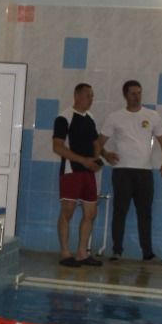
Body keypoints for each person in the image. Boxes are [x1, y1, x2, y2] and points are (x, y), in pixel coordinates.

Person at [98, 80, 162, 262]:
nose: (137, 96)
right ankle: (117, 250)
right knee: (120, 211)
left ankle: (147, 253)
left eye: (139, 93)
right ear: (125, 95)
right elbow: (98, 142)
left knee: (145, 213)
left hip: (144, 172)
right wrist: (106, 154)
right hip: (122, 171)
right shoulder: (115, 117)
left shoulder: (152, 115)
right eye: (133, 93)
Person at [52, 83, 107, 268]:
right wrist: (84, 161)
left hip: (88, 172)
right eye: (88, 96)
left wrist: (99, 157)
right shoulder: (64, 117)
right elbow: (57, 147)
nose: (91, 99)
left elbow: (95, 142)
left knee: (91, 213)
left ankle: (82, 253)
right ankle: (65, 253)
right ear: (77, 96)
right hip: (71, 171)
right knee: (67, 211)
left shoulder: (90, 117)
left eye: (92, 96)